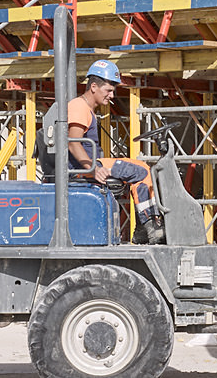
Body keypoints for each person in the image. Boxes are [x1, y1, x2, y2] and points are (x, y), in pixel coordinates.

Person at [40, 58, 162, 242]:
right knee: (142, 171)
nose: (112, 96)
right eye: (109, 90)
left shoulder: (85, 108)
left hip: (87, 165)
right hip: (83, 169)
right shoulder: (79, 107)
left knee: (140, 166)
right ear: (94, 87)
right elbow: (73, 142)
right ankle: (149, 226)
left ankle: (144, 228)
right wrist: (93, 169)